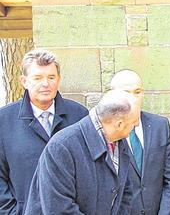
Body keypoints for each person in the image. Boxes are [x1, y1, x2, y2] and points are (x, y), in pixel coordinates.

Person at [0, 49, 88, 214]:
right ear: (24, 81)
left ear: (59, 80)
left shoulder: (80, 116)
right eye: (38, 78)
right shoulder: (4, 120)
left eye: (51, 77)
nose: (46, 84)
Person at [24, 90, 140, 214]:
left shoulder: (119, 141)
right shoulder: (61, 147)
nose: (137, 124)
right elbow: (59, 209)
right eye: (134, 122)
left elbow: (125, 193)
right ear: (119, 124)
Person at [110, 70, 170, 214]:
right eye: (126, 92)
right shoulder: (108, 133)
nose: (133, 98)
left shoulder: (160, 126)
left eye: (137, 92)